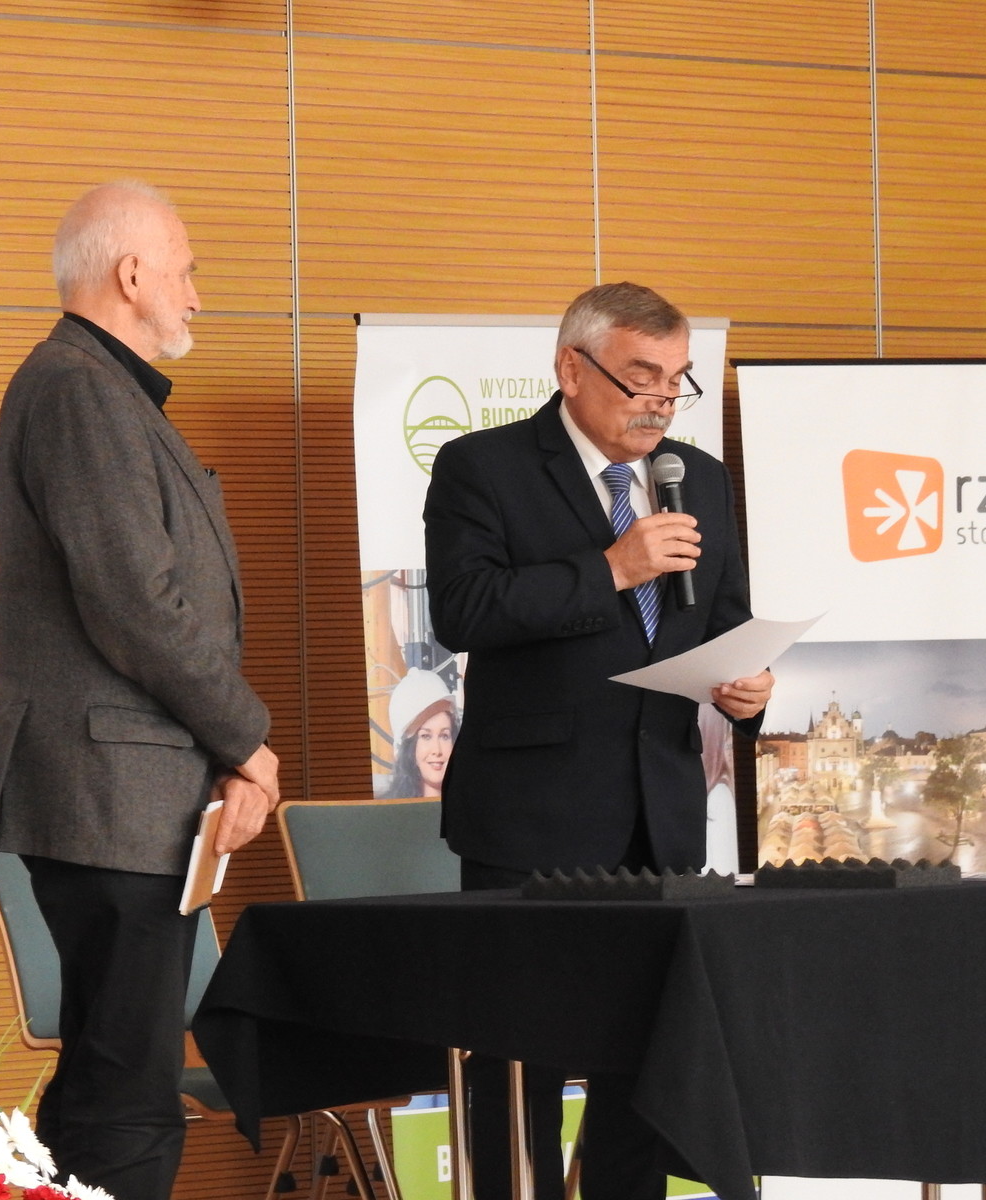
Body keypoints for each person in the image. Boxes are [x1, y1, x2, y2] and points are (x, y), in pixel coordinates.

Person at [423, 281, 773, 1200]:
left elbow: (723, 621)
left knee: (644, 1070)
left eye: (677, 380)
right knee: (519, 1071)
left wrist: (746, 690)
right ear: (571, 369)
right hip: (530, 822)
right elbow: (464, 610)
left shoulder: (700, 477)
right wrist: (610, 569)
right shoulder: (483, 466)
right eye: (640, 376)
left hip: (662, 819)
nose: (660, 400)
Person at [0, 179, 279, 1200]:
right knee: (130, 1099)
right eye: (187, 272)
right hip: (109, 797)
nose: (197, 295)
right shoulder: (79, 390)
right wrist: (247, 741)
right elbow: (136, 604)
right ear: (131, 273)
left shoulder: (97, 388)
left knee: (106, 1084)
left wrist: (225, 752)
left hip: (128, 794)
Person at [378, 667, 460, 798]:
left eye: (444, 736)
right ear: (407, 748)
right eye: (426, 736)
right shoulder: (390, 809)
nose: (437, 750)